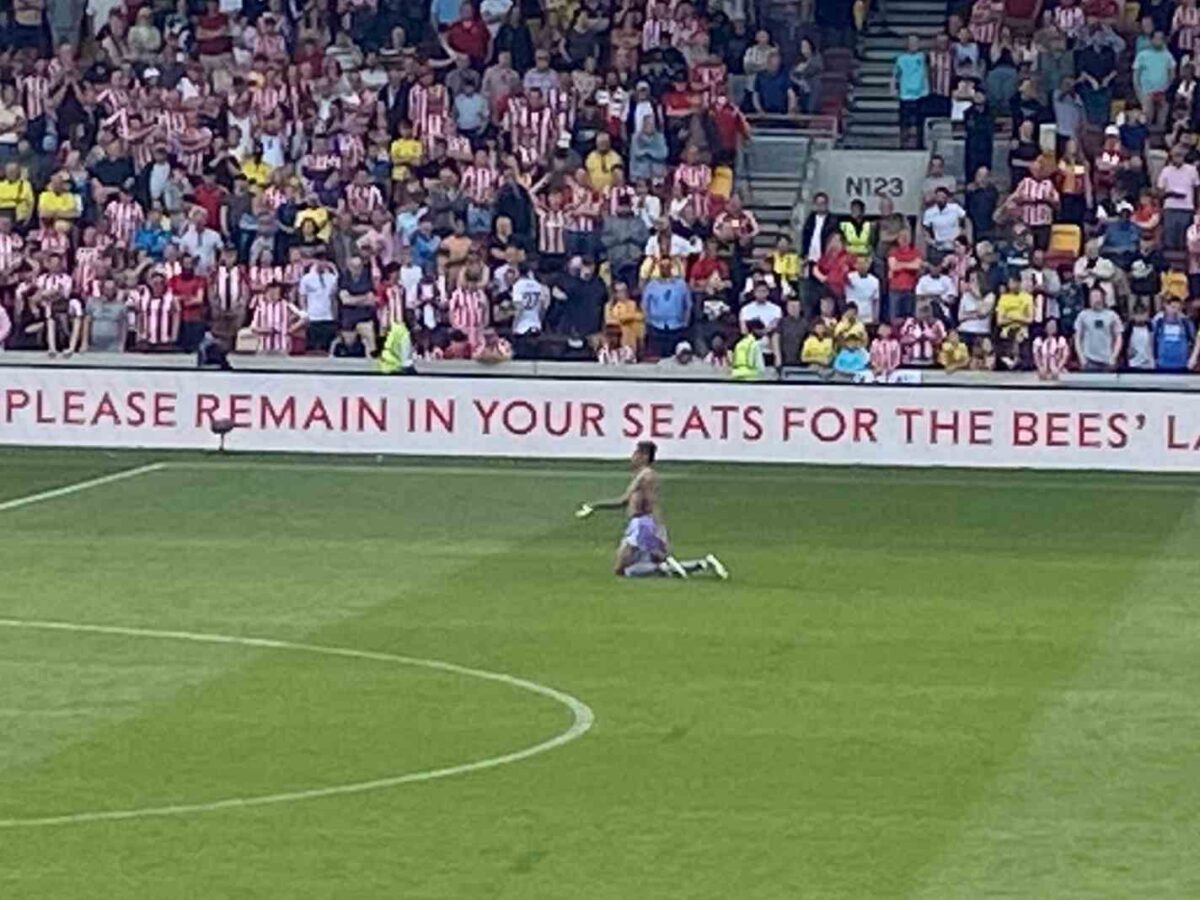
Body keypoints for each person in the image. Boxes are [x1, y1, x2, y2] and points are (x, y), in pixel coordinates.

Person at [574, 441, 728, 580]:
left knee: (622, 569)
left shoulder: (647, 476)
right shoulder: (641, 476)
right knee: (638, 566)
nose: (632, 457)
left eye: (636, 453)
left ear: (644, 456)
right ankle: (703, 563)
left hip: (642, 525)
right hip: (640, 525)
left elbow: (652, 503)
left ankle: (664, 568)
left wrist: (660, 530)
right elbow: (623, 501)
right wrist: (595, 506)